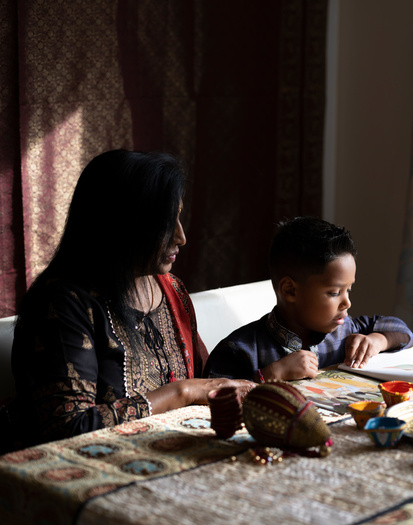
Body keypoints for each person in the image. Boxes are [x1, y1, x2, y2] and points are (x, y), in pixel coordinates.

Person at [6, 149, 254, 450]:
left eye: (178, 218)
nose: (181, 237)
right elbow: (69, 430)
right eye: (166, 223)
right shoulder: (62, 304)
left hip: (166, 454)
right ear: (121, 225)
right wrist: (181, 392)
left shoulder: (171, 289)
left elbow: (205, 382)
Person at [205, 217, 413, 382]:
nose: (347, 303)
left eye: (348, 290)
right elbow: (209, 403)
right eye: (334, 293)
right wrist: (270, 375)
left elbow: (404, 333)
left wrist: (378, 340)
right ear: (290, 290)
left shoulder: (346, 332)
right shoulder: (239, 351)